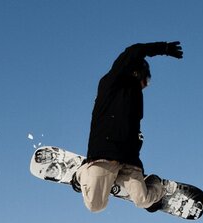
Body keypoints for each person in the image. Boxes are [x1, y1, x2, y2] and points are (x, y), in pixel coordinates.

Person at [78, 41, 183, 213]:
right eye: (146, 80)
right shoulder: (112, 83)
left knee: (143, 200)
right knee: (95, 205)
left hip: (128, 161)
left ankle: (154, 185)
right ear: (138, 73)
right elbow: (133, 51)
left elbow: (131, 132)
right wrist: (163, 48)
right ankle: (81, 172)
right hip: (105, 155)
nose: (146, 85)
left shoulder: (136, 99)